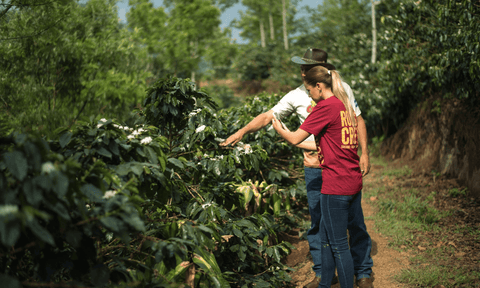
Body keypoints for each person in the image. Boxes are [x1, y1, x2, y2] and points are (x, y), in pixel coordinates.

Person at [220, 48, 373, 288]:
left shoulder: (338, 92)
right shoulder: (297, 95)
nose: (303, 73)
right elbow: (268, 115)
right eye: (302, 68)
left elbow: (356, 120)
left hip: (340, 168)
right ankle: (324, 274)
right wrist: (241, 131)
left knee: (354, 223)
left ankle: (362, 272)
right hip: (316, 167)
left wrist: (364, 152)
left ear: (323, 71)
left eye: (309, 68)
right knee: (319, 224)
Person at [272, 65, 372, 288]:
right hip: (352, 179)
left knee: (338, 245)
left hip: (335, 185)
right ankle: (325, 283)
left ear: (318, 86)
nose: (308, 95)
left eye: (309, 90)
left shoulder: (325, 107)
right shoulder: (344, 104)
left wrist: (280, 129)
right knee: (326, 238)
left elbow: (296, 138)